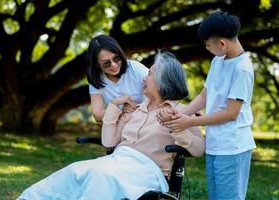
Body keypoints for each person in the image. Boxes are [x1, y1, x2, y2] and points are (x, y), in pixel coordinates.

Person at [17, 51, 205, 200]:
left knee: (101, 176)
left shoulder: (182, 112)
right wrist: (115, 106)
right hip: (118, 161)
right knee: (76, 170)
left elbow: (199, 149)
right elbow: (109, 141)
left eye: (150, 74)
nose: (144, 78)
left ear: (164, 81)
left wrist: (178, 125)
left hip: (147, 170)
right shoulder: (136, 109)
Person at [158, 11, 256, 200]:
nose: (206, 48)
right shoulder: (217, 61)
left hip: (233, 147)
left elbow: (231, 113)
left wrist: (190, 123)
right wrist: (178, 115)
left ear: (222, 43)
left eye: (208, 45)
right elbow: (204, 96)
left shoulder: (242, 68)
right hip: (215, 144)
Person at [87, 34, 149, 122]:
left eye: (116, 58)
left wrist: (138, 109)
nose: (114, 65)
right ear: (97, 64)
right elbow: (97, 114)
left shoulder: (134, 68)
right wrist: (119, 110)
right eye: (106, 63)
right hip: (122, 125)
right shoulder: (96, 79)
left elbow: (160, 92)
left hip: (147, 120)